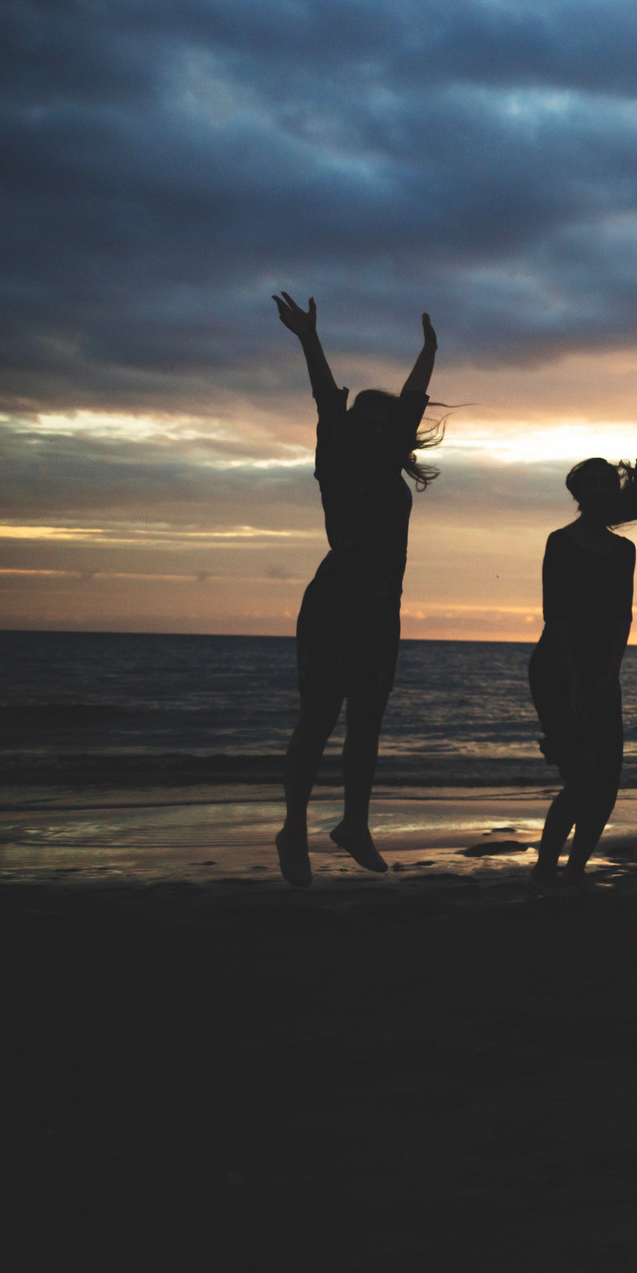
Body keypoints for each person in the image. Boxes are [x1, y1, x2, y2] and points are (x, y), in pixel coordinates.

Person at [268, 293, 439, 887]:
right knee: (317, 720)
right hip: (334, 604)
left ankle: (353, 824)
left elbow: (412, 404)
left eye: (382, 426)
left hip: (380, 612)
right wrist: (308, 340)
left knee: (367, 722)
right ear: (350, 432)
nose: (374, 431)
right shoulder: (335, 464)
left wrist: (430, 352)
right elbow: (324, 397)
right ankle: (293, 827)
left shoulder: (392, 466)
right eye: (363, 425)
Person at [527, 457, 637, 897]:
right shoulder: (560, 542)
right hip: (557, 667)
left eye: (606, 482)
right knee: (584, 771)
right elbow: (557, 615)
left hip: (601, 671)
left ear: (614, 490)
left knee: (607, 778)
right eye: (588, 483)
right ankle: (545, 868)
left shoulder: (623, 550)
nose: (598, 489)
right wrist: (573, 678)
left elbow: (622, 615)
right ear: (576, 491)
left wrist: (610, 673)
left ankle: (576, 869)